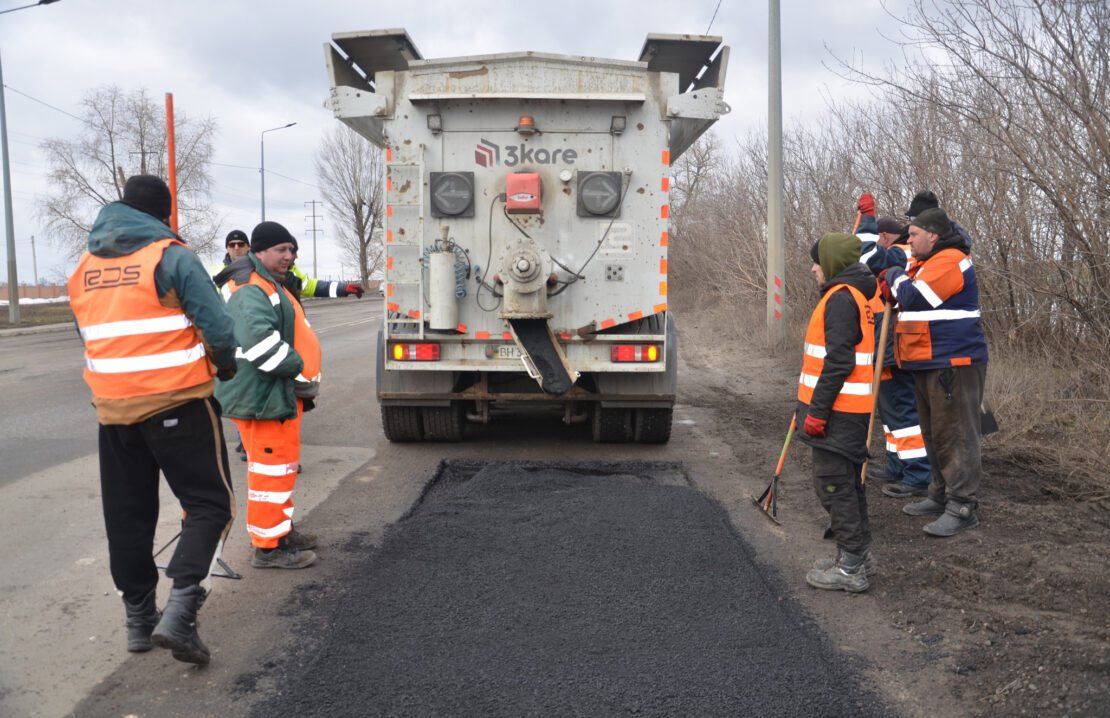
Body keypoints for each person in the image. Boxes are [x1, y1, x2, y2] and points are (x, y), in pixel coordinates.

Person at [67, 175, 237, 665]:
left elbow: (92, 336)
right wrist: (222, 367)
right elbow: (219, 330)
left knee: (128, 517)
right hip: (178, 406)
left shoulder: (83, 268)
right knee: (210, 504)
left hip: (114, 414)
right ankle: (181, 614)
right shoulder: (170, 255)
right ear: (162, 216)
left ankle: (139, 622)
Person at [214, 221, 321, 569]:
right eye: (281, 249)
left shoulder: (269, 282)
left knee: (283, 467)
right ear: (259, 251)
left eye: (292, 250)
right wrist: (297, 366)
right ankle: (268, 547)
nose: (289, 256)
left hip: (274, 393)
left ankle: (280, 529)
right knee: (269, 472)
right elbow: (260, 343)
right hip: (261, 395)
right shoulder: (248, 287)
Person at [878, 207, 989, 536]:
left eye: (912, 234)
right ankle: (940, 495)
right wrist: (896, 281)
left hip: (953, 363)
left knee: (955, 434)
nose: (907, 240)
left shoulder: (950, 260)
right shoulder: (924, 262)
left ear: (933, 236)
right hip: (929, 362)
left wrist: (895, 275)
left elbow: (914, 297)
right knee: (934, 433)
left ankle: (962, 506)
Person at [799, 232, 877, 593]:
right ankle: (860, 554)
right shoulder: (854, 295)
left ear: (831, 264)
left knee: (833, 485)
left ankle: (850, 567)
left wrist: (817, 411)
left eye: (818, 261)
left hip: (838, 412)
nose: (814, 267)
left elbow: (839, 362)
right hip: (847, 409)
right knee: (847, 483)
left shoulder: (842, 299)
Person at [857, 207, 933, 498]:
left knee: (903, 415)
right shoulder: (900, 254)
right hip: (884, 344)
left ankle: (918, 475)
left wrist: (864, 221)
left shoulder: (901, 253)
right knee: (891, 415)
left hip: (895, 346)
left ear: (885, 236)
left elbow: (868, 256)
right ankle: (897, 465)